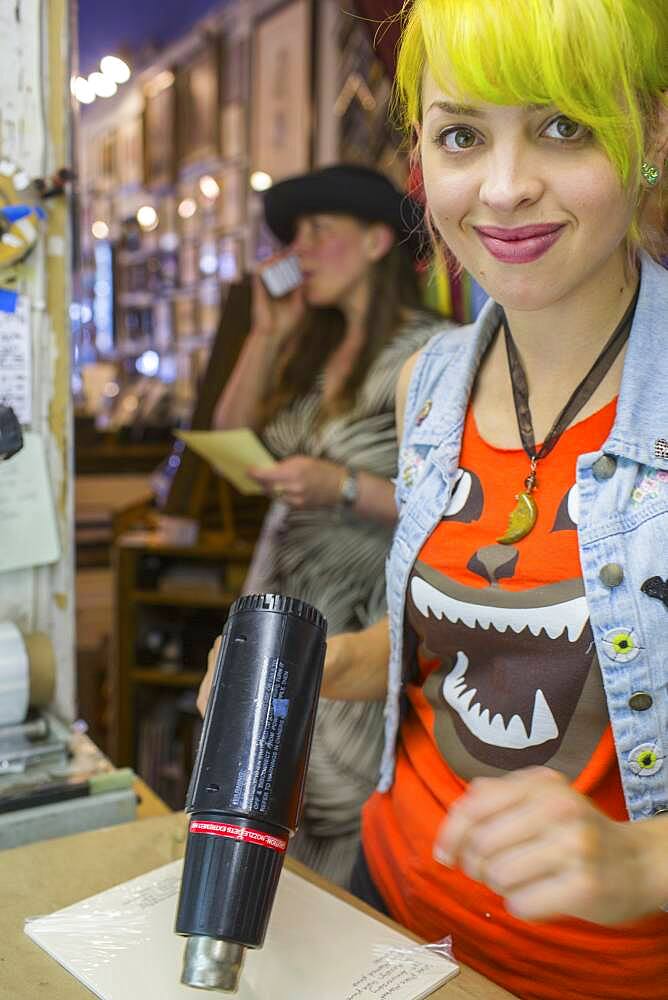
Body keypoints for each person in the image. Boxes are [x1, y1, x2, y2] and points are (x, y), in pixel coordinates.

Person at [319, 2, 668, 999]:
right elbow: (457, 649)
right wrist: (323, 659)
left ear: (648, 133)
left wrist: (641, 864)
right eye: (462, 134)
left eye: (561, 125)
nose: (505, 188)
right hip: (384, 917)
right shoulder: (425, 383)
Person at [200, 164, 443, 887]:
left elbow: (454, 500)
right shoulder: (313, 347)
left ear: (376, 242)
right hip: (283, 595)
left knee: (325, 806)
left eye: (317, 233)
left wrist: (338, 485)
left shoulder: (434, 355)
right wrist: (267, 335)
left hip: (358, 621)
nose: (298, 251)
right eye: (294, 236)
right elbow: (232, 445)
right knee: (258, 786)